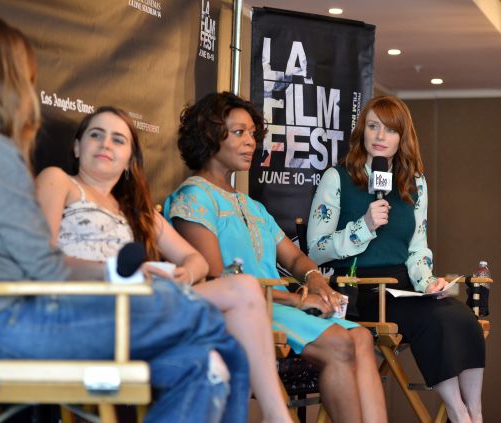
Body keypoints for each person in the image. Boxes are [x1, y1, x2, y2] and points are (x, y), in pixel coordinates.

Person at [0, 19, 250, 423]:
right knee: (205, 322)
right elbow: (42, 269)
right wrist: (126, 280)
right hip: (3, 328)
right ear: (7, 79)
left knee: (202, 365)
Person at [35, 105, 292, 423]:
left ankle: (276, 414)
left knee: (243, 292)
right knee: (220, 349)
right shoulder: (60, 181)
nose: (105, 145)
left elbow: (194, 258)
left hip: (144, 305)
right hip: (88, 311)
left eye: (118, 140)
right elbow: (42, 260)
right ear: (77, 146)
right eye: (96, 135)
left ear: (130, 159)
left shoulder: (137, 211)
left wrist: (186, 274)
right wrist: (113, 272)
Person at [164, 91, 387, 423]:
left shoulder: (254, 207)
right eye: (239, 132)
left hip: (281, 307)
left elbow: (296, 259)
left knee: (362, 338)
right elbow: (217, 284)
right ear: (209, 136)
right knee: (342, 343)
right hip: (247, 315)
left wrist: (313, 279)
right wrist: (298, 300)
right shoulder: (192, 199)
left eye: (253, 134)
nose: (251, 142)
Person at [307, 95, 485, 423]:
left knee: (461, 317)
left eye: (389, 130)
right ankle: (458, 414)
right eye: (373, 127)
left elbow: (417, 248)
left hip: (405, 288)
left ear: (402, 138)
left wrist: (427, 281)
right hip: (361, 289)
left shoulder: (414, 182)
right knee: (435, 322)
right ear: (362, 131)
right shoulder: (338, 177)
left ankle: (475, 411)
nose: (379, 137)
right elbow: (315, 249)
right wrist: (364, 226)